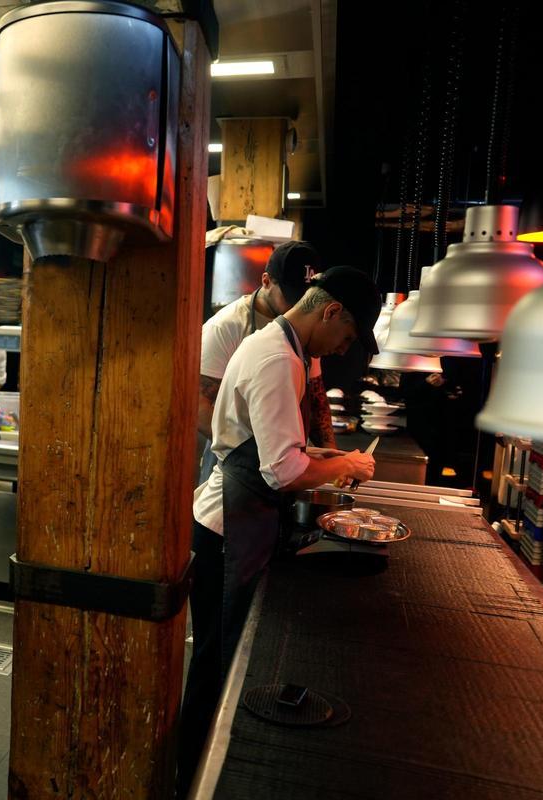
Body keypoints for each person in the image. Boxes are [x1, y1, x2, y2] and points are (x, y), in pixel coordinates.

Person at [176, 266, 382, 794]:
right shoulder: (276, 358)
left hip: (231, 520)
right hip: (227, 528)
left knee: (217, 660)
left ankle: (192, 772)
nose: (342, 348)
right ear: (331, 311)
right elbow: (281, 471)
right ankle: (193, 778)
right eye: (348, 335)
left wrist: (322, 453)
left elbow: (275, 446)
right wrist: (346, 467)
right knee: (218, 663)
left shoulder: (279, 346)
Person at [197, 240, 338, 484]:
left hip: (282, 459)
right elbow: (197, 407)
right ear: (265, 281)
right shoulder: (227, 327)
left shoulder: (305, 329)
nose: (296, 305)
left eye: (304, 297)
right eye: (290, 295)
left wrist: (334, 460)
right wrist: (256, 452)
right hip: (231, 461)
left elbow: (316, 397)